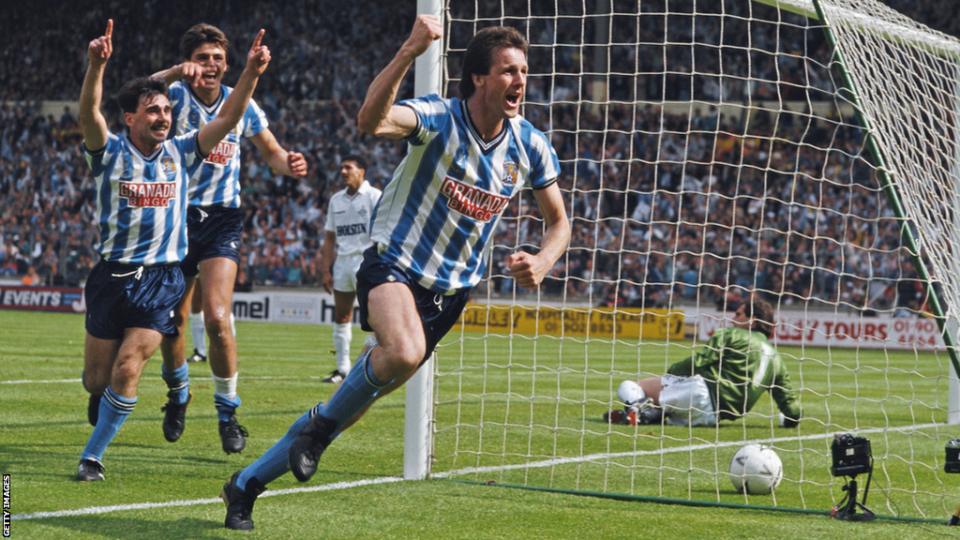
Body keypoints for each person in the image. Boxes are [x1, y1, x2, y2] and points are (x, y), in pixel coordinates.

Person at [218, 16, 571, 530]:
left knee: (348, 409)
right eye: (508, 71)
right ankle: (313, 433)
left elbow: (560, 222)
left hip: (451, 294)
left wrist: (542, 260)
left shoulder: (530, 145)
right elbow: (370, 121)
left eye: (524, 71)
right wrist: (409, 49)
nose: (520, 80)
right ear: (479, 78)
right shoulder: (438, 117)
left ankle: (246, 483)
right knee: (402, 352)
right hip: (395, 265)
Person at [76, 20, 272, 482]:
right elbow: (89, 112)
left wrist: (251, 75)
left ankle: (92, 457)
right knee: (96, 381)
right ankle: (102, 398)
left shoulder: (181, 152)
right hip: (111, 277)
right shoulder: (108, 153)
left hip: (161, 279)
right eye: (153, 112)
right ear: (131, 118)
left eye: (167, 111)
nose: (164, 117)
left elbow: (227, 118)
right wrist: (95, 67)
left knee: (129, 367)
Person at [152, 23, 308, 454]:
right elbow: (136, 94)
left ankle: (227, 412)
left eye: (218, 58)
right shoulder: (174, 98)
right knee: (173, 323)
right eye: (203, 58)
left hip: (222, 218)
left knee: (219, 318)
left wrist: (287, 163)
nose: (212, 65)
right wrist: (171, 73)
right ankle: (178, 394)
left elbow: (271, 152)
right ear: (191, 62)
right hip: (175, 217)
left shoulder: (244, 105)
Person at [608, 296, 801, 428]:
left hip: (701, 392)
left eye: (738, 314)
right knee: (669, 406)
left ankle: (636, 407)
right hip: (712, 417)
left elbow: (700, 362)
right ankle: (649, 414)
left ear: (752, 321)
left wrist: (670, 374)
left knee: (631, 385)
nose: (733, 319)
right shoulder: (778, 362)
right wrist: (790, 420)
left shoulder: (733, 334)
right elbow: (791, 408)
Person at [318, 154, 382, 384]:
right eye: (342, 168)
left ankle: (373, 368)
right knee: (341, 315)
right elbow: (329, 236)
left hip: (367, 261)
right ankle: (342, 369)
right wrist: (326, 270)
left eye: (349, 167)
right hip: (343, 263)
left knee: (376, 320)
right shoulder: (336, 199)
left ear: (361, 171)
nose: (343, 171)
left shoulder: (375, 196)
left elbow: (384, 232)